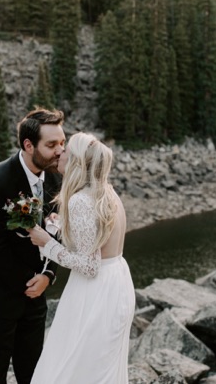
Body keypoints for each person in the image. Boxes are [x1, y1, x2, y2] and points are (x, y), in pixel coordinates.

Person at [26, 133, 134, 384]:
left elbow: (89, 265)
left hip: (94, 292)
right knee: (99, 365)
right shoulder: (107, 192)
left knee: (74, 363)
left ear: (76, 161)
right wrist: (64, 228)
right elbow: (99, 240)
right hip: (117, 281)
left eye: (65, 150)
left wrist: (48, 244)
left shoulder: (80, 200)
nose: (59, 153)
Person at [0, 109, 65, 384]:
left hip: (36, 297)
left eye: (62, 143)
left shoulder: (57, 179)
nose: (59, 151)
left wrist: (48, 276)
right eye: (51, 145)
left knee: (34, 373)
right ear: (28, 145)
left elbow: (60, 235)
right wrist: (29, 282)